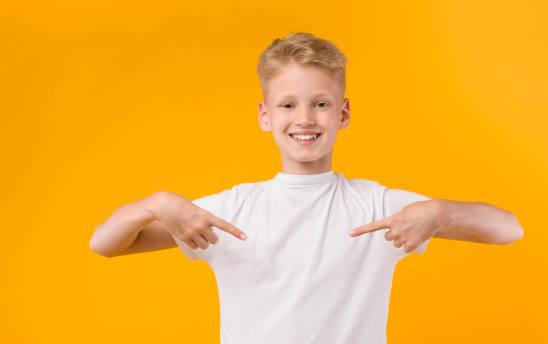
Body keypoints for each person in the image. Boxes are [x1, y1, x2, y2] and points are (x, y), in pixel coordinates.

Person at [89, 32, 523, 343]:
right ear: (265, 116)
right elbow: (105, 244)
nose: (305, 119)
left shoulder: (377, 206)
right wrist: (157, 203)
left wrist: (439, 211)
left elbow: (508, 229)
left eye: (320, 104)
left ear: (343, 113)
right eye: (288, 105)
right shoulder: (231, 209)